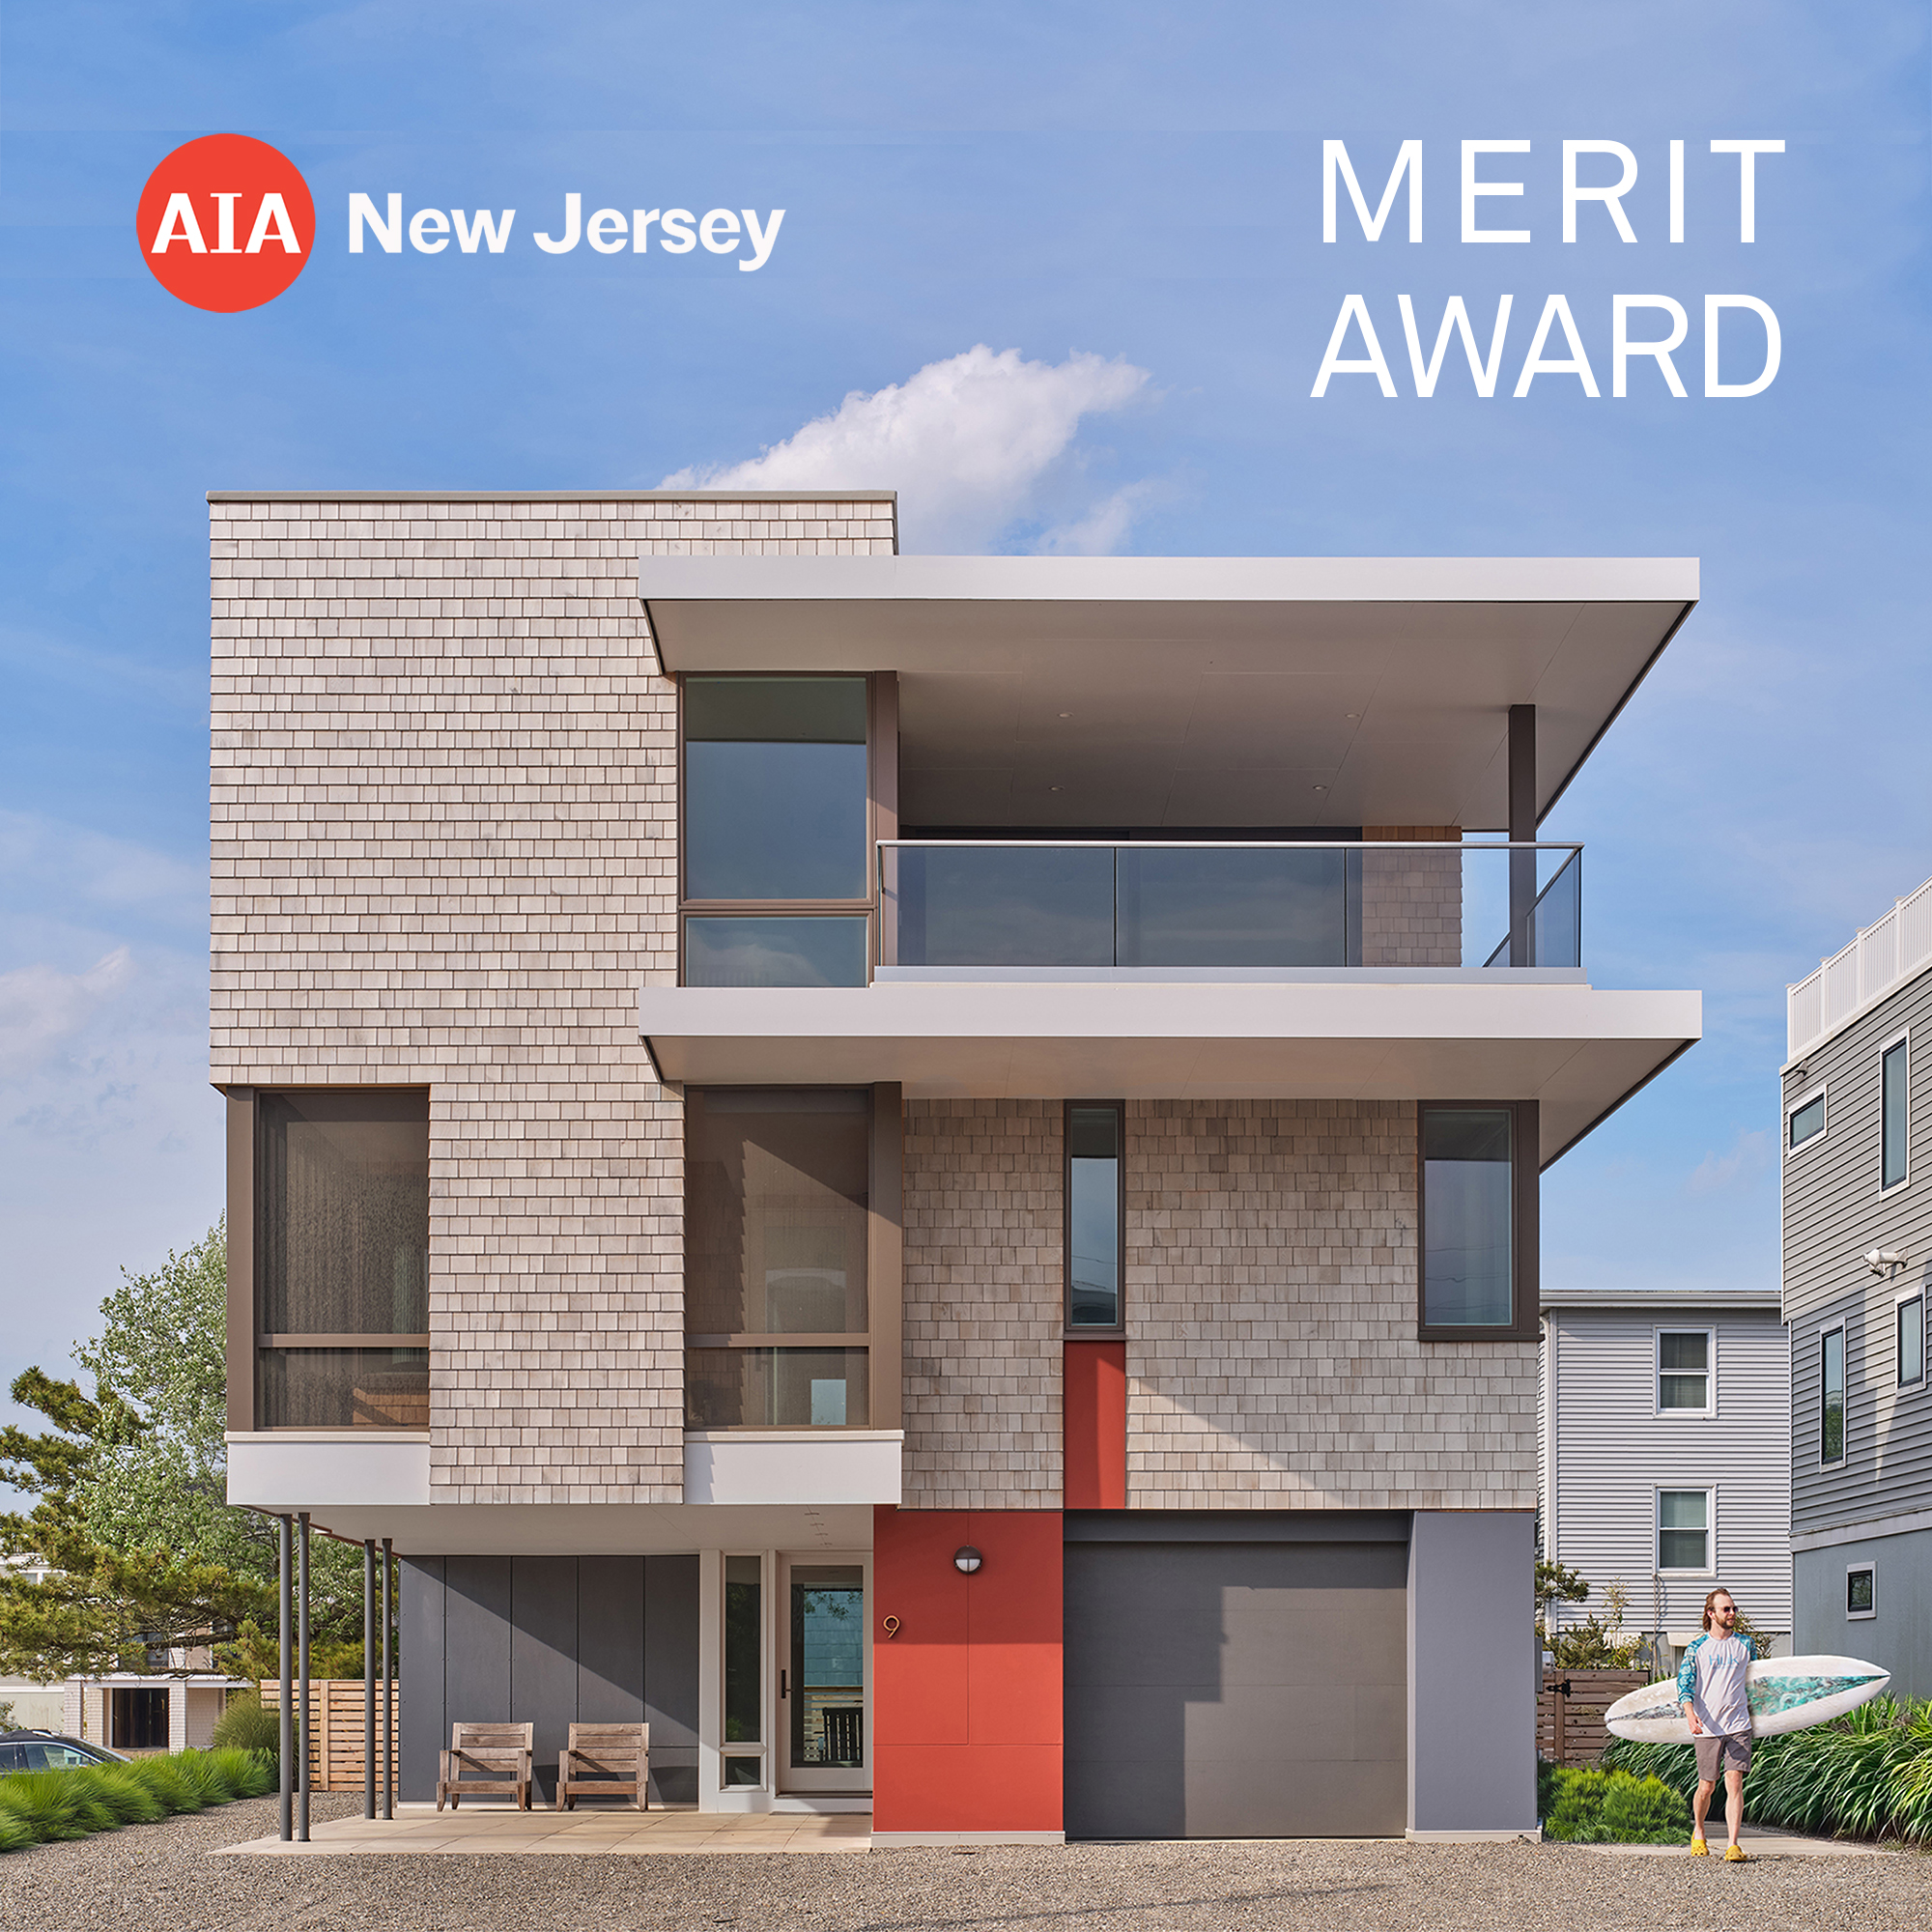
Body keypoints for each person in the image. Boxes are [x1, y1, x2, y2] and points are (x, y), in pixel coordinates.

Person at [1677, 1587, 1757, 1861]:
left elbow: (1756, 1682)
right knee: (1707, 1786)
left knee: (1734, 1783)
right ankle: (1698, 1831)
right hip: (1708, 1726)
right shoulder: (1697, 1648)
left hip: (1738, 1724)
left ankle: (1733, 1844)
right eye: (1726, 1609)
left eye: (1734, 1608)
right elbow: (1684, 1685)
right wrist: (1689, 1713)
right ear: (1711, 1613)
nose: (1732, 1613)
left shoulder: (1746, 1644)